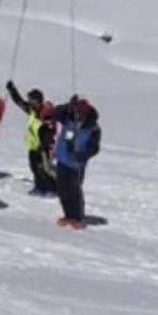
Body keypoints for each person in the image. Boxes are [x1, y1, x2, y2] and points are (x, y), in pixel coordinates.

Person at [51, 96, 101, 229]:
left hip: (76, 165)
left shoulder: (93, 128)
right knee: (62, 190)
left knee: (74, 191)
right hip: (62, 160)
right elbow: (53, 114)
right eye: (76, 113)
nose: (77, 116)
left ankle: (77, 217)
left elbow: (94, 147)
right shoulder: (68, 117)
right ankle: (68, 215)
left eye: (80, 114)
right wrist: (68, 105)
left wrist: (83, 155)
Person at [5, 79, 57, 195]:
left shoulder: (46, 113)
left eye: (32, 100)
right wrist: (12, 89)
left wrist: (43, 146)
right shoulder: (32, 110)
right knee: (35, 168)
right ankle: (39, 187)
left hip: (44, 147)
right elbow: (19, 102)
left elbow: (48, 131)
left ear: (38, 101)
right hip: (33, 146)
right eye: (29, 100)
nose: (30, 102)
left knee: (46, 169)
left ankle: (52, 189)